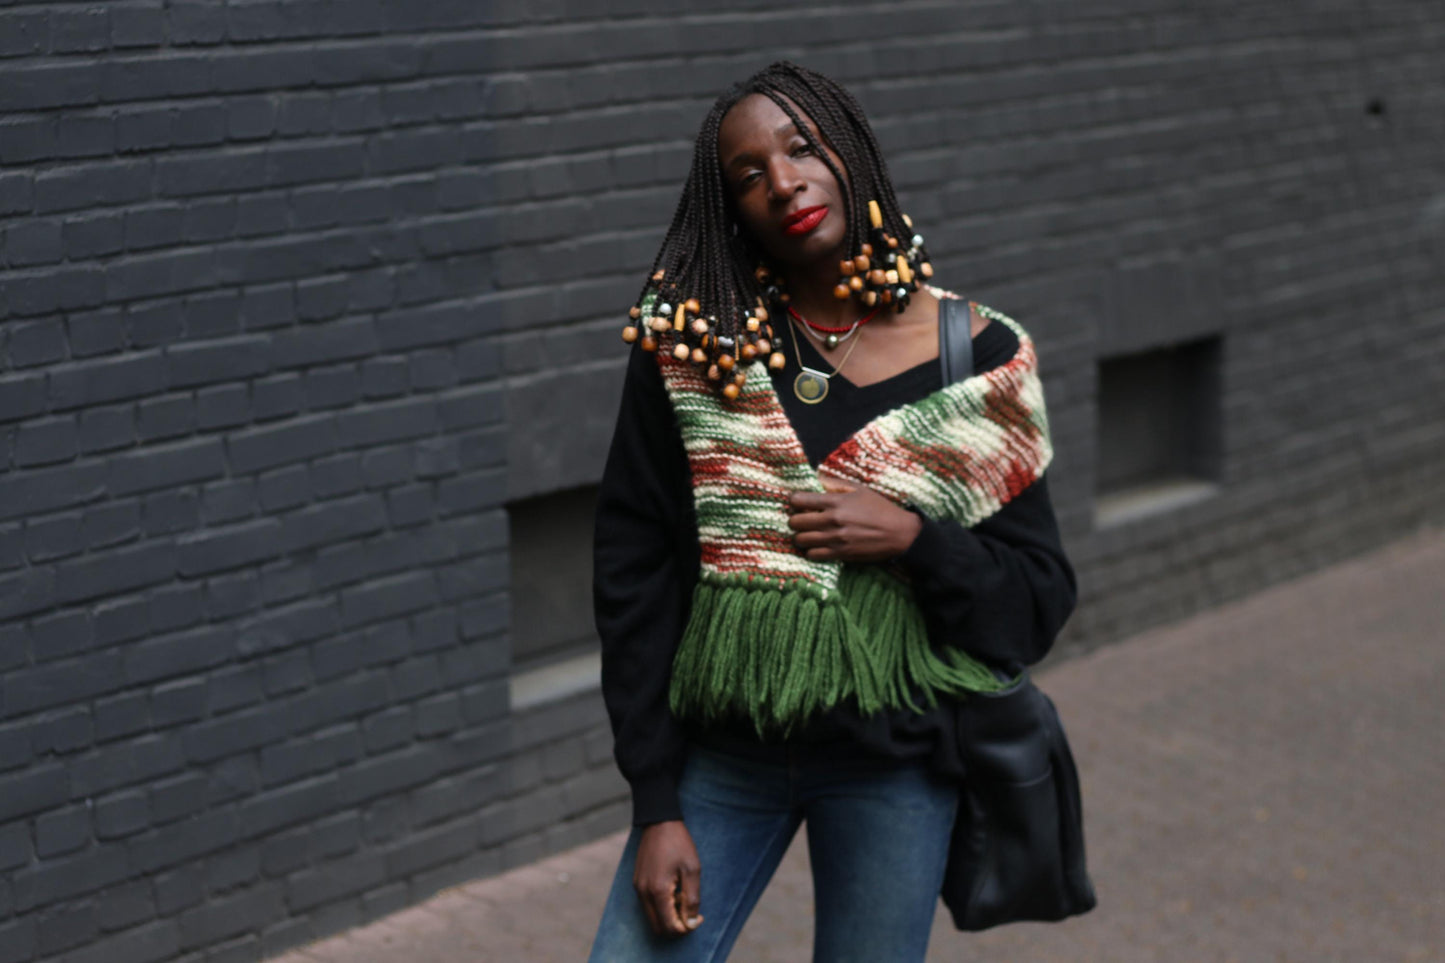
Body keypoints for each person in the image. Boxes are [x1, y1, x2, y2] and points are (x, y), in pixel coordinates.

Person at [587, 61, 1076, 963]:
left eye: (801, 146)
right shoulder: (697, 353)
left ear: (849, 153)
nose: (781, 180)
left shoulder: (977, 357)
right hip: (722, 757)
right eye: (746, 174)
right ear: (728, 207)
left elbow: (1036, 602)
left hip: (896, 757)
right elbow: (635, 573)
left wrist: (916, 542)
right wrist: (654, 801)